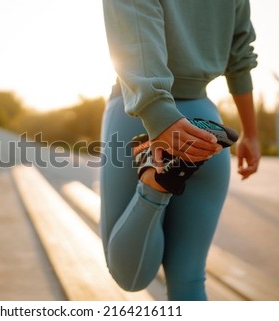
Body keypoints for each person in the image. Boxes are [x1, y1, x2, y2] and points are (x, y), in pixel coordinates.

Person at [100, 0, 261, 300]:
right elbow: (240, 57)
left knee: (130, 275)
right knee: (189, 278)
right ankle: (167, 172)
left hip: (139, 119)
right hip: (207, 129)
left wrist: (159, 116)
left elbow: (134, 33)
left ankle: (156, 181)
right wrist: (251, 134)